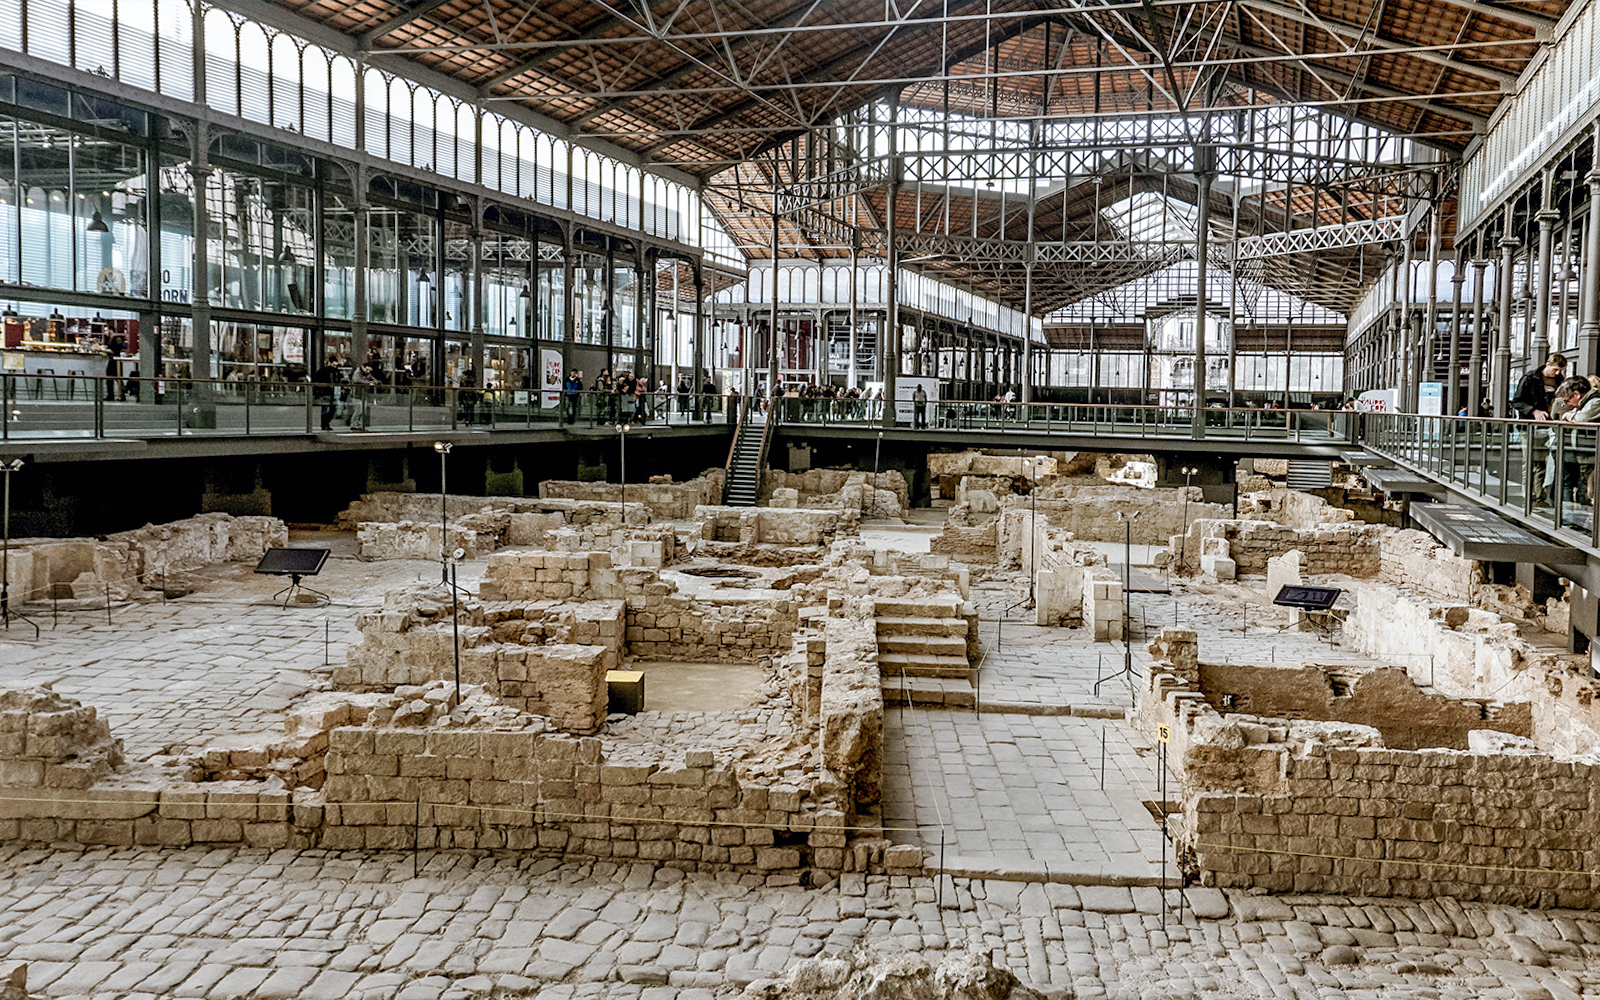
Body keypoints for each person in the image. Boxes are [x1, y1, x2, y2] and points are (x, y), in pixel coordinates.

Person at [1513, 352, 1568, 421]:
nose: (1557, 373)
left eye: (1560, 370)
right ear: (1547, 365)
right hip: (1530, 421)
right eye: (1555, 369)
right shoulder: (1530, 378)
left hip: (1551, 420)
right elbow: (1517, 402)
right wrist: (1534, 411)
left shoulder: (1560, 380)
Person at [312, 356, 341, 431]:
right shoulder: (327, 371)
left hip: (330, 391)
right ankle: (325, 424)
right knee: (327, 408)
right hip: (326, 391)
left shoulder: (329, 371)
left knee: (331, 409)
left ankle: (325, 424)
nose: (335, 367)